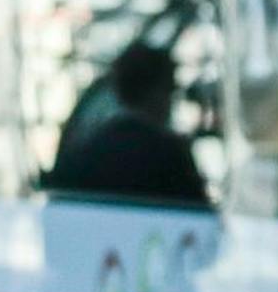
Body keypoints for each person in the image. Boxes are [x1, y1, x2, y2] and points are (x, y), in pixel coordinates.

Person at [51, 42, 211, 208]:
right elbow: (197, 214)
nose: (171, 103)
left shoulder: (85, 149)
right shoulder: (171, 154)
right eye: (170, 91)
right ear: (157, 92)